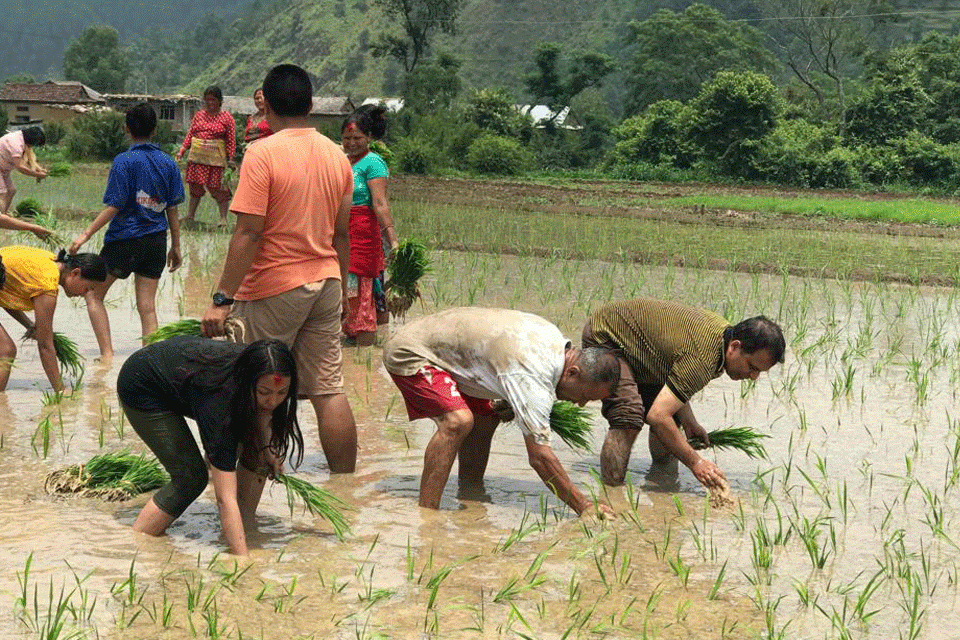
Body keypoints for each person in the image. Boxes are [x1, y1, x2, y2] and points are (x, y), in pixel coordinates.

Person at [200, 64, 358, 473]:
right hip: (325, 282)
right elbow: (342, 234)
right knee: (328, 389)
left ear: (265, 105)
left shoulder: (261, 153)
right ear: (310, 105)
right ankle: (345, 491)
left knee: (252, 390)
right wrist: (343, 291)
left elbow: (249, 233)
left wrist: (222, 300)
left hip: (274, 286)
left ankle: (248, 496)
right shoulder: (338, 157)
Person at [382, 307, 621, 517]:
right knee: (458, 422)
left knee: (487, 415)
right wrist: (584, 506)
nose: (579, 404)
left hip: (448, 351)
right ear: (573, 372)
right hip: (410, 350)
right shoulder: (533, 374)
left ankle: (470, 492)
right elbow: (540, 458)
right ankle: (427, 515)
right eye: (585, 396)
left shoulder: (554, 340)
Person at [118, 337, 304, 557]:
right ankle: (139, 544)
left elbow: (264, 414)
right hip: (143, 384)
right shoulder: (221, 404)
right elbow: (225, 498)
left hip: (183, 378)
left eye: (282, 393)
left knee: (258, 453)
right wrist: (242, 562)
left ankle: (243, 530)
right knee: (191, 478)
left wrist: (268, 449)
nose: (273, 401)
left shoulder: (265, 370)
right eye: (264, 392)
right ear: (247, 383)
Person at [580, 297, 785, 491]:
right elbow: (658, 416)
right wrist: (696, 463)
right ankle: (611, 493)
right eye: (752, 367)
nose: (753, 376)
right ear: (735, 346)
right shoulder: (703, 359)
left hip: (644, 352)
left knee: (673, 416)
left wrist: (689, 423)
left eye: (759, 372)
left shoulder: (723, 338)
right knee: (628, 415)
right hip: (608, 336)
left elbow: (677, 376)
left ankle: (661, 482)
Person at [69, 103, 185, 361]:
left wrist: (85, 235)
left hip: (124, 241)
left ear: (127, 129)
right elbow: (173, 210)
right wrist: (176, 246)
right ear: (155, 129)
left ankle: (107, 355)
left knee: (93, 294)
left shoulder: (124, 161)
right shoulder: (168, 163)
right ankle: (149, 361)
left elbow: (115, 205)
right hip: (155, 241)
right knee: (147, 307)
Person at [0, 247, 107, 391]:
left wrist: (29, 325)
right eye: (88, 288)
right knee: (6, 350)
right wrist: (60, 389)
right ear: (75, 273)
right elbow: (45, 347)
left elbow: (6, 293)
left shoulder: (51, 261)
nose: (84, 294)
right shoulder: (47, 284)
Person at [340, 105, 398, 344]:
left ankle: (364, 343)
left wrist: (392, 239)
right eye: (346, 138)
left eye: (357, 138)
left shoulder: (373, 162)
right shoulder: (343, 161)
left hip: (364, 233)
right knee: (343, 285)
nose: (351, 142)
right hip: (342, 232)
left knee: (362, 288)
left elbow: (380, 203)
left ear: (369, 138)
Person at [176, 86, 236, 227]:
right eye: (207, 100)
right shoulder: (199, 115)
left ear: (219, 101)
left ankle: (223, 220)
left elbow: (231, 140)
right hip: (197, 158)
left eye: (213, 99)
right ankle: (190, 216)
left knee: (218, 188)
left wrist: (231, 159)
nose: (210, 103)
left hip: (216, 160)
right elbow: (190, 134)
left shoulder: (227, 118)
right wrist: (182, 150)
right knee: (195, 187)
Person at [0, 127, 48, 215]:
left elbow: (29, 160)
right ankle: (2, 219)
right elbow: (20, 167)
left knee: (11, 191)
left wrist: (39, 170)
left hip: (3, 169)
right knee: (2, 193)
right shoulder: (16, 144)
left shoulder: (20, 137)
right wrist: (37, 174)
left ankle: (3, 215)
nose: (32, 146)